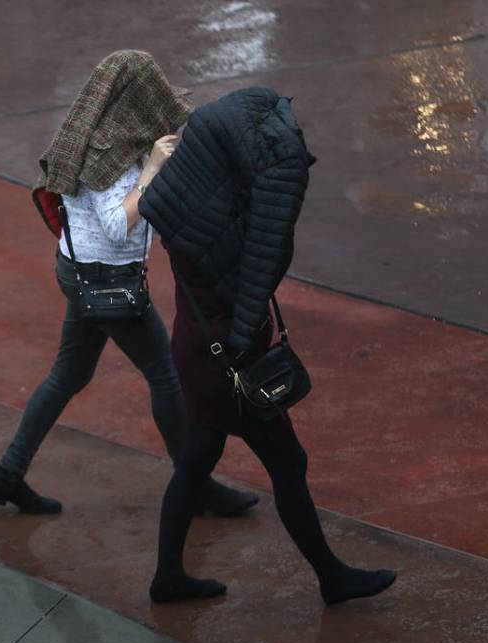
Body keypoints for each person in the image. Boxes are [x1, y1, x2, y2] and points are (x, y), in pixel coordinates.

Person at [139, 87, 398, 604]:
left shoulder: (187, 217)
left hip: (196, 349)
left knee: (195, 460)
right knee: (288, 462)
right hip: (226, 358)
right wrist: (245, 348)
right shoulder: (222, 237)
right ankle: (331, 576)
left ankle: (168, 576)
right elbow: (255, 272)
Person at [0, 50, 259, 518]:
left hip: (81, 273)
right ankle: (195, 485)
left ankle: (7, 475)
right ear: (136, 102)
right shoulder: (111, 156)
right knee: (166, 375)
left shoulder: (93, 133)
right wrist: (150, 169)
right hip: (108, 283)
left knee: (69, 374)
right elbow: (117, 225)